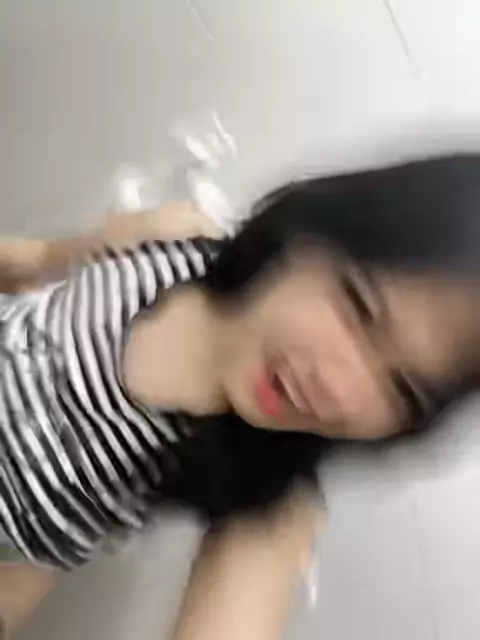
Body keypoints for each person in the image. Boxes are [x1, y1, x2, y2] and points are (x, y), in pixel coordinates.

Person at [0, 153, 480, 636]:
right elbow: (37, 262)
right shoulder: (170, 238)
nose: (339, 388)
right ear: (309, 234)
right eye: (361, 307)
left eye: (402, 389)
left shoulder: (270, 500)